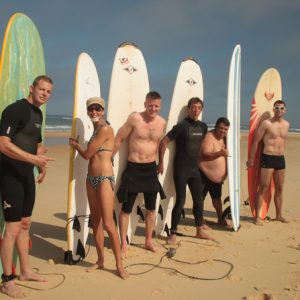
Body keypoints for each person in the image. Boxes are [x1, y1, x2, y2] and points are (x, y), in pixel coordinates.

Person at [0, 75, 55, 298]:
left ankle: (25, 271)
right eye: (41, 89)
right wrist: (32, 160)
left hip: (26, 176)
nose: (45, 94)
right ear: (31, 88)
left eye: (49, 91)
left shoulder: (38, 113)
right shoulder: (15, 110)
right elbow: (3, 143)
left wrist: (42, 166)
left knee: (25, 225)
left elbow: (37, 142)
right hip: (10, 176)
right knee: (11, 229)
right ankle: (7, 281)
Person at [69, 97, 128, 279]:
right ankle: (101, 260)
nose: (94, 112)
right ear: (88, 112)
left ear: (103, 111)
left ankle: (119, 265)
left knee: (109, 224)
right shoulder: (95, 130)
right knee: (95, 223)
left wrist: (76, 145)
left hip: (104, 179)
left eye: (97, 109)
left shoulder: (105, 129)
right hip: (91, 179)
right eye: (91, 109)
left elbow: (87, 154)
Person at [113, 91, 166, 257]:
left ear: (160, 106)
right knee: (126, 209)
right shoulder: (135, 118)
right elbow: (119, 138)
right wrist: (109, 157)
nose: (153, 108)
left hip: (150, 169)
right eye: (150, 105)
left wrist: (161, 162)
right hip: (134, 168)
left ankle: (148, 240)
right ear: (145, 104)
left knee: (151, 208)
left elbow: (159, 144)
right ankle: (123, 243)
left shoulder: (162, 122)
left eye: (156, 106)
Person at [158, 97, 214, 245]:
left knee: (199, 200)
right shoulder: (181, 126)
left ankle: (199, 230)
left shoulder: (203, 127)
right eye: (193, 107)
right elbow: (163, 142)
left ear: (201, 110)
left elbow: (199, 149)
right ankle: (173, 232)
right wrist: (161, 163)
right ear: (188, 109)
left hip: (195, 170)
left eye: (198, 107)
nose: (196, 110)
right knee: (180, 200)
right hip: (181, 168)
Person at [247, 100, 290, 225]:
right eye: (277, 108)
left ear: (285, 110)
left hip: (280, 158)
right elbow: (256, 141)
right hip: (268, 157)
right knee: (264, 187)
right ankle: (257, 217)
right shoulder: (266, 124)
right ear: (273, 109)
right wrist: (251, 159)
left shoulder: (287, 124)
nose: (279, 110)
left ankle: (279, 215)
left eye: (282, 108)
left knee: (280, 188)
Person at [198, 117, 230, 226]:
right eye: (221, 128)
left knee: (216, 198)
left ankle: (220, 218)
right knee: (200, 198)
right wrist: (220, 154)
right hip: (204, 173)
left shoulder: (226, 139)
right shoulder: (209, 137)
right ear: (216, 127)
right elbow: (205, 154)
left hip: (216, 178)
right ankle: (200, 220)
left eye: (225, 129)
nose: (223, 131)